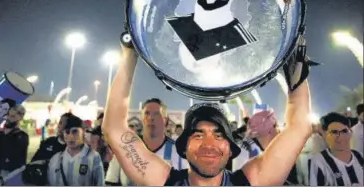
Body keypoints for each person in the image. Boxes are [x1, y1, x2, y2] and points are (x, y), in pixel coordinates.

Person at [102, 36, 312, 186]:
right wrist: (129, 55)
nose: (209, 145)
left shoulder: (249, 181)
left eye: (219, 135)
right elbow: (114, 129)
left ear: (231, 149)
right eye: (198, 134)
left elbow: (299, 127)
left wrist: (295, 61)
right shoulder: (165, 181)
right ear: (183, 147)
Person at [105, 98, 188, 185]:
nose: (151, 118)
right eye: (147, 113)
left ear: (165, 120)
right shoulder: (125, 149)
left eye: (156, 114)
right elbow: (110, 182)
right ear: (142, 118)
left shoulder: (178, 153)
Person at [47, 114, 105, 186]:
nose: (71, 137)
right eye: (67, 132)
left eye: (75, 132)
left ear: (83, 131)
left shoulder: (93, 157)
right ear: (63, 133)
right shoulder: (55, 159)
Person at [309, 112, 364, 186]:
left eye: (344, 131)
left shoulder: (359, 156)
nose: (340, 136)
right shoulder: (319, 162)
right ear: (325, 135)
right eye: (334, 132)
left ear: (350, 132)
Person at [0, 104, 29, 179]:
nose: (8, 118)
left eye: (13, 116)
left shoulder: (22, 136)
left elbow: (11, 158)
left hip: (7, 176)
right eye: (8, 115)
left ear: (21, 117)